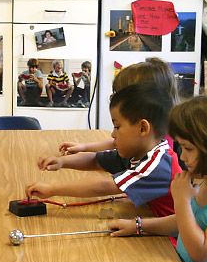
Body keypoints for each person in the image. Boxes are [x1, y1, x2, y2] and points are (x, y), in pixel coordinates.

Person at [109, 90, 207, 262]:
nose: (182, 156)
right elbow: (185, 221)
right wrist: (139, 226)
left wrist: (181, 201)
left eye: (188, 148)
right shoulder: (206, 179)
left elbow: (200, 253)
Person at [25, 83, 177, 218]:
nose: (113, 134)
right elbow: (96, 161)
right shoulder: (141, 152)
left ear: (142, 128)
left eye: (117, 127)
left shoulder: (158, 164)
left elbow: (104, 186)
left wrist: (52, 189)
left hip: (170, 243)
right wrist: (61, 162)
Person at [60, 57, 181, 156]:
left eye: (119, 95)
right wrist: (84, 147)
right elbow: (116, 143)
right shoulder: (145, 131)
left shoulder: (159, 144)